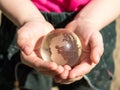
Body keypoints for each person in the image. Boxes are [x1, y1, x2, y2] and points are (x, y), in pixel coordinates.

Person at [0, 0, 120, 90]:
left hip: (97, 16)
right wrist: (28, 18)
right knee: (31, 83)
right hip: (23, 14)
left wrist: (89, 20)